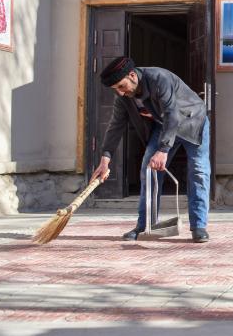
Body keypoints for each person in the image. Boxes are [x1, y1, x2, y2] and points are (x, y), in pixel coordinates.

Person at [90, 56, 211, 242]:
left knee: (198, 171)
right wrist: (105, 159)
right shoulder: (123, 96)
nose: (120, 92)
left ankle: (199, 226)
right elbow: (116, 125)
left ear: (132, 75)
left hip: (193, 122)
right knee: (148, 170)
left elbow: (172, 113)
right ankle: (145, 225)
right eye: (116, 89)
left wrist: (163, 150)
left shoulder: (159, 78)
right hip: (165, 126)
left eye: (121, 86)